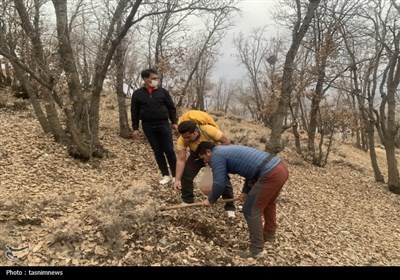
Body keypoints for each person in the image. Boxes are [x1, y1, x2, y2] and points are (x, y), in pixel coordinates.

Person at [195, 141, 289, 259]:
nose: (205, 162)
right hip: (280, 168)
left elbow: (219, 183)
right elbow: (251, 171)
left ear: (208, 152)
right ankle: (269, 234)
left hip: (270, 173)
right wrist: (246, 191)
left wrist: (211, 200)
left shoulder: (216, 156)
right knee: (269, 203)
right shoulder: (225, 150)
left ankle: (256, 250)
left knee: (250, 210)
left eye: (203, 158)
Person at [172, 120, 236, 217]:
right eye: (184, 137)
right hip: (196, 155)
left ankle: (229, 206)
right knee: (186, 174)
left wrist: (216, 155)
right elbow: (181, 160)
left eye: (189, 137)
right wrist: (177, 180)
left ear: (196, 131)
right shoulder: (182, 140)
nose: (187, 140)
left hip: (213, 154)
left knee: (222, 178)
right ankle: (188, 200)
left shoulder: (209, 130)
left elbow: (226, 141)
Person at [131, 68, 177, 185]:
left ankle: (176, 175)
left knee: (169, 150)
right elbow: (134, 112)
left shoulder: (163, 92)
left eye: (157, 78)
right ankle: (166, 175)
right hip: (148, 125)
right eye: (153, 78)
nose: (156, 80)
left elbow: (171, 108)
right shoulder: (137, 94)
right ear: (146, 79)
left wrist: (174, 122)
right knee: (157, 151)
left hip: (163, 124)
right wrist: (135, 128)